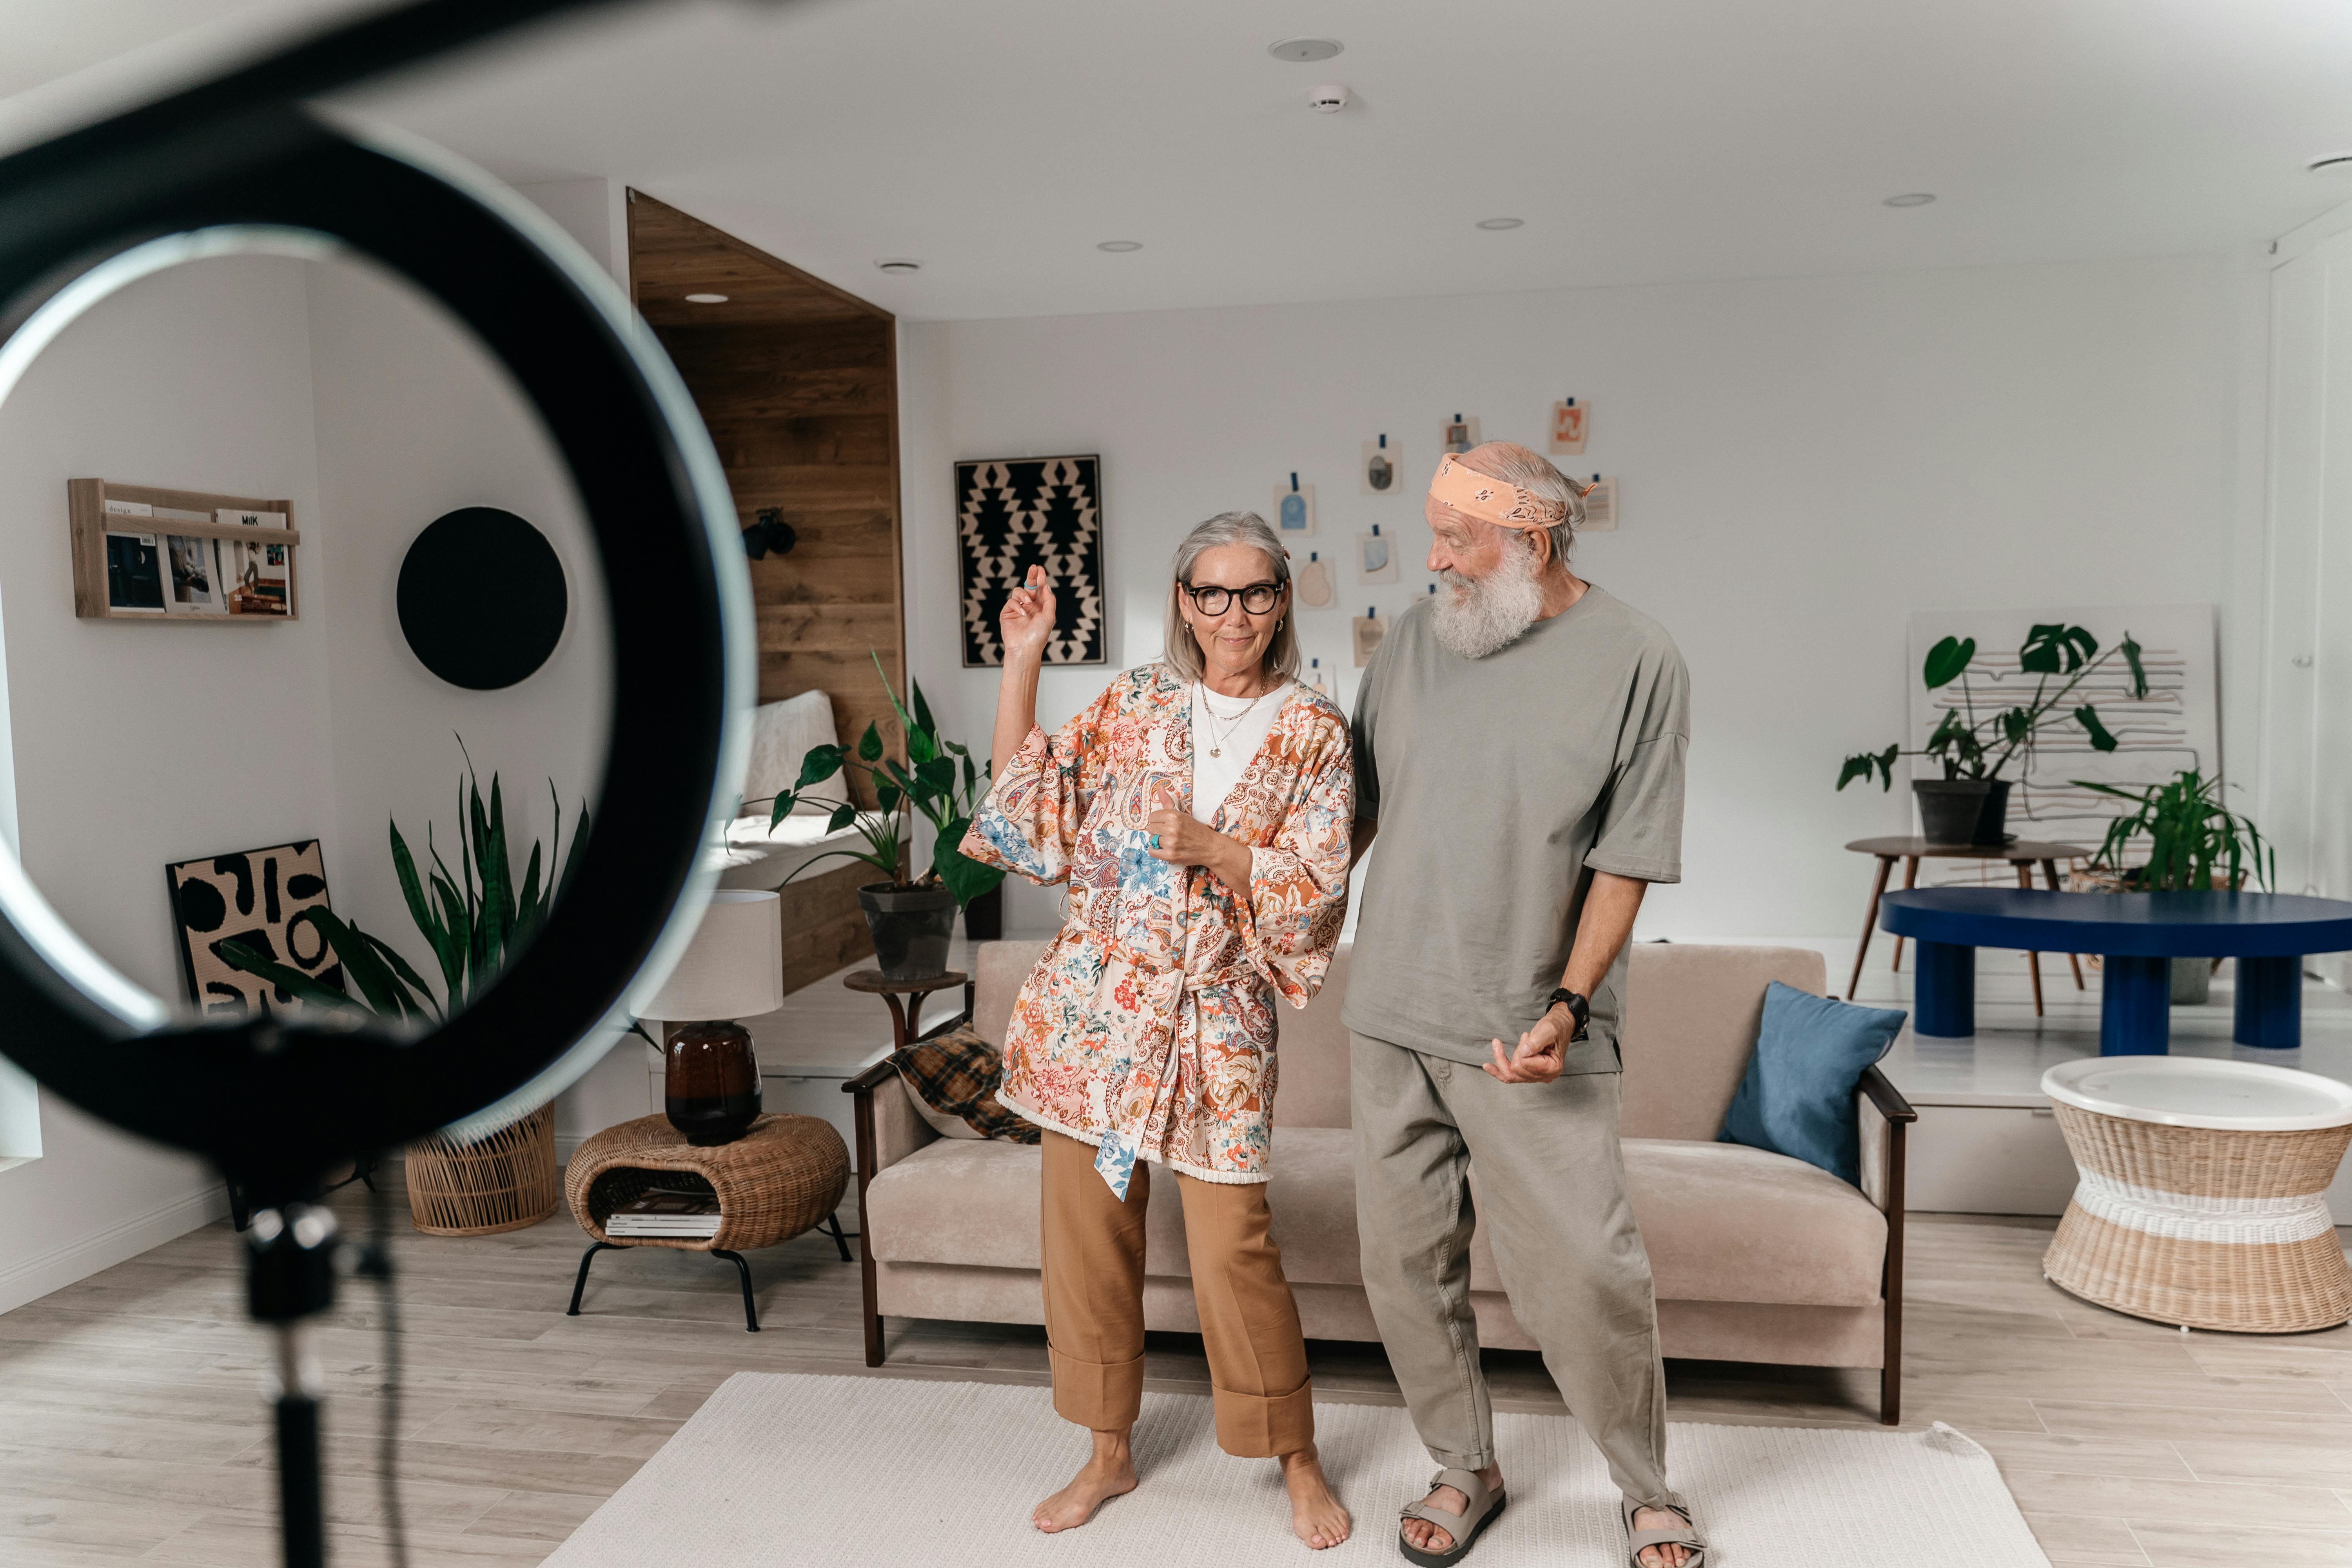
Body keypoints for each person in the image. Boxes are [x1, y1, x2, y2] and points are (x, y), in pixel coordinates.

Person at [959, 512, 1356, 1550]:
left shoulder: (1314, 728)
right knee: (1088, 1239)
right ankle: (1107, 1450)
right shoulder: (1138, 700)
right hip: (1097, 1013)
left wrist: (1218, 846)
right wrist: (1023, 663)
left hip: (1220, 1017)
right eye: (1214, 594)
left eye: (1258, 593)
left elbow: (1317, 894)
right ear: (1185, 601)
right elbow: (1024, 811)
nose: (1237, 615)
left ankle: (1296, 1455)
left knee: (1236, 1249)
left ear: (1282, 603)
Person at [1348, 445, 1702, 1568]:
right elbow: (1352, 811)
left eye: (1459, 537)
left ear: (1533, 543)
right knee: (1407, 1270)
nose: (1436, 558)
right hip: (1390, 1006)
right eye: (1435, 533)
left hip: (1524, 1025)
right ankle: (1463, 1468)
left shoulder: (1638, 658)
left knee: (1588, 1272)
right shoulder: (1415, 639)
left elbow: (1629, 857)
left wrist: (1568, 1002)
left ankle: (1646, 1491)